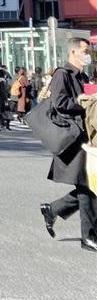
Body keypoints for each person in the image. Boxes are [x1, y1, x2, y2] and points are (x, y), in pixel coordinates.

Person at [39, 40, 97, 251]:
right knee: (88, 187)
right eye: (84, 51)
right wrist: (86, 102)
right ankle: (89, 238)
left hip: (87, 136)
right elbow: (59, 103)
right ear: (73, 52)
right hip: (73, 139)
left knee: (90, 185)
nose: (88, 54)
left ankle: (52, 209)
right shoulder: (62, 74)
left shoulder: (82, 76)